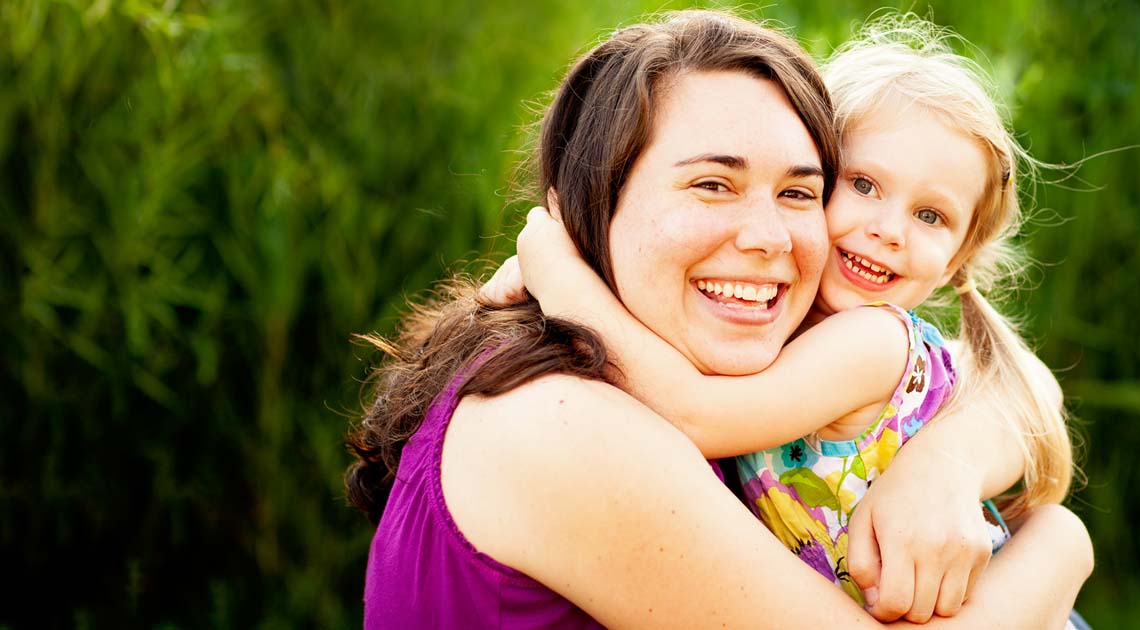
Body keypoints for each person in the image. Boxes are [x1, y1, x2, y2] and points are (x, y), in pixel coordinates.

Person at [347, 10, 1092, 628]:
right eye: (712, 183)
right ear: (593, 195)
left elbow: (1014, 384)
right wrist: (1060, 549)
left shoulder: (698, 359)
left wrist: (949, 464)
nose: (767, 237)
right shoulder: (563, 425)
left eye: (798, 193)